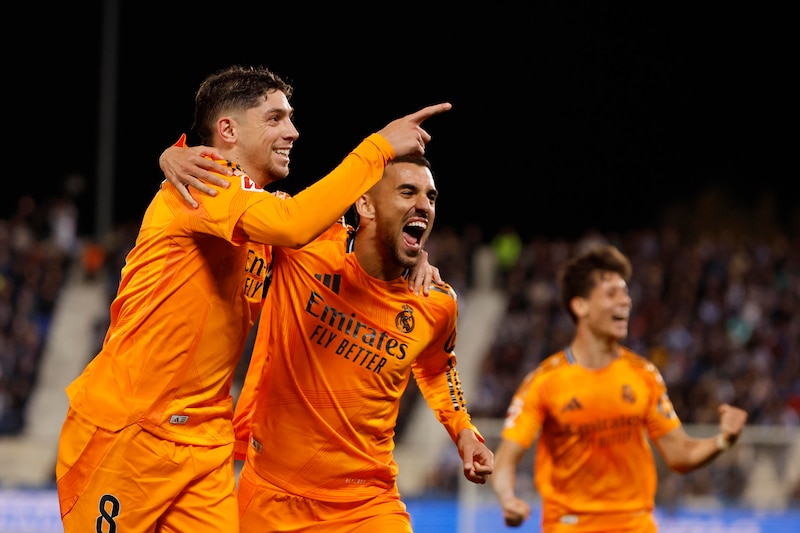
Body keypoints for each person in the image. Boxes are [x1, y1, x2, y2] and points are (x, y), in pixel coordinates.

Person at [56, 63, 451, 533]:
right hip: (128, 433)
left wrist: (411, 254)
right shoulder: (203, 183)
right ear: (227, 129)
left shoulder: (259, 215)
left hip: (205, 442)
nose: (293, 131)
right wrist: (379, 145)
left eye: (291, 118)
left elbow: (339, 233)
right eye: (275, 118)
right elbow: (297, 223)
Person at [231, 154, 494, 532]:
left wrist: (464, 433)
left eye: (431, 197)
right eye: (408, 191)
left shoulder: (437, 303)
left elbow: (437, 369)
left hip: (367, 504)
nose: (424, 204)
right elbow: (237, 196)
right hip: (273, 495)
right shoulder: (305, 245)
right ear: (365, 204)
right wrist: (177, 156)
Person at [491, 244, 748, 532]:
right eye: (612, 294)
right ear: (581, 306)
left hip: (636, 525)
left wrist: (724, 439)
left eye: (625, 293)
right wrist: (508, 498)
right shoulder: (544, 382)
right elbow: (505, 460)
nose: (625, 301)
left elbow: (680, 454)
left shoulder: (643, 374)